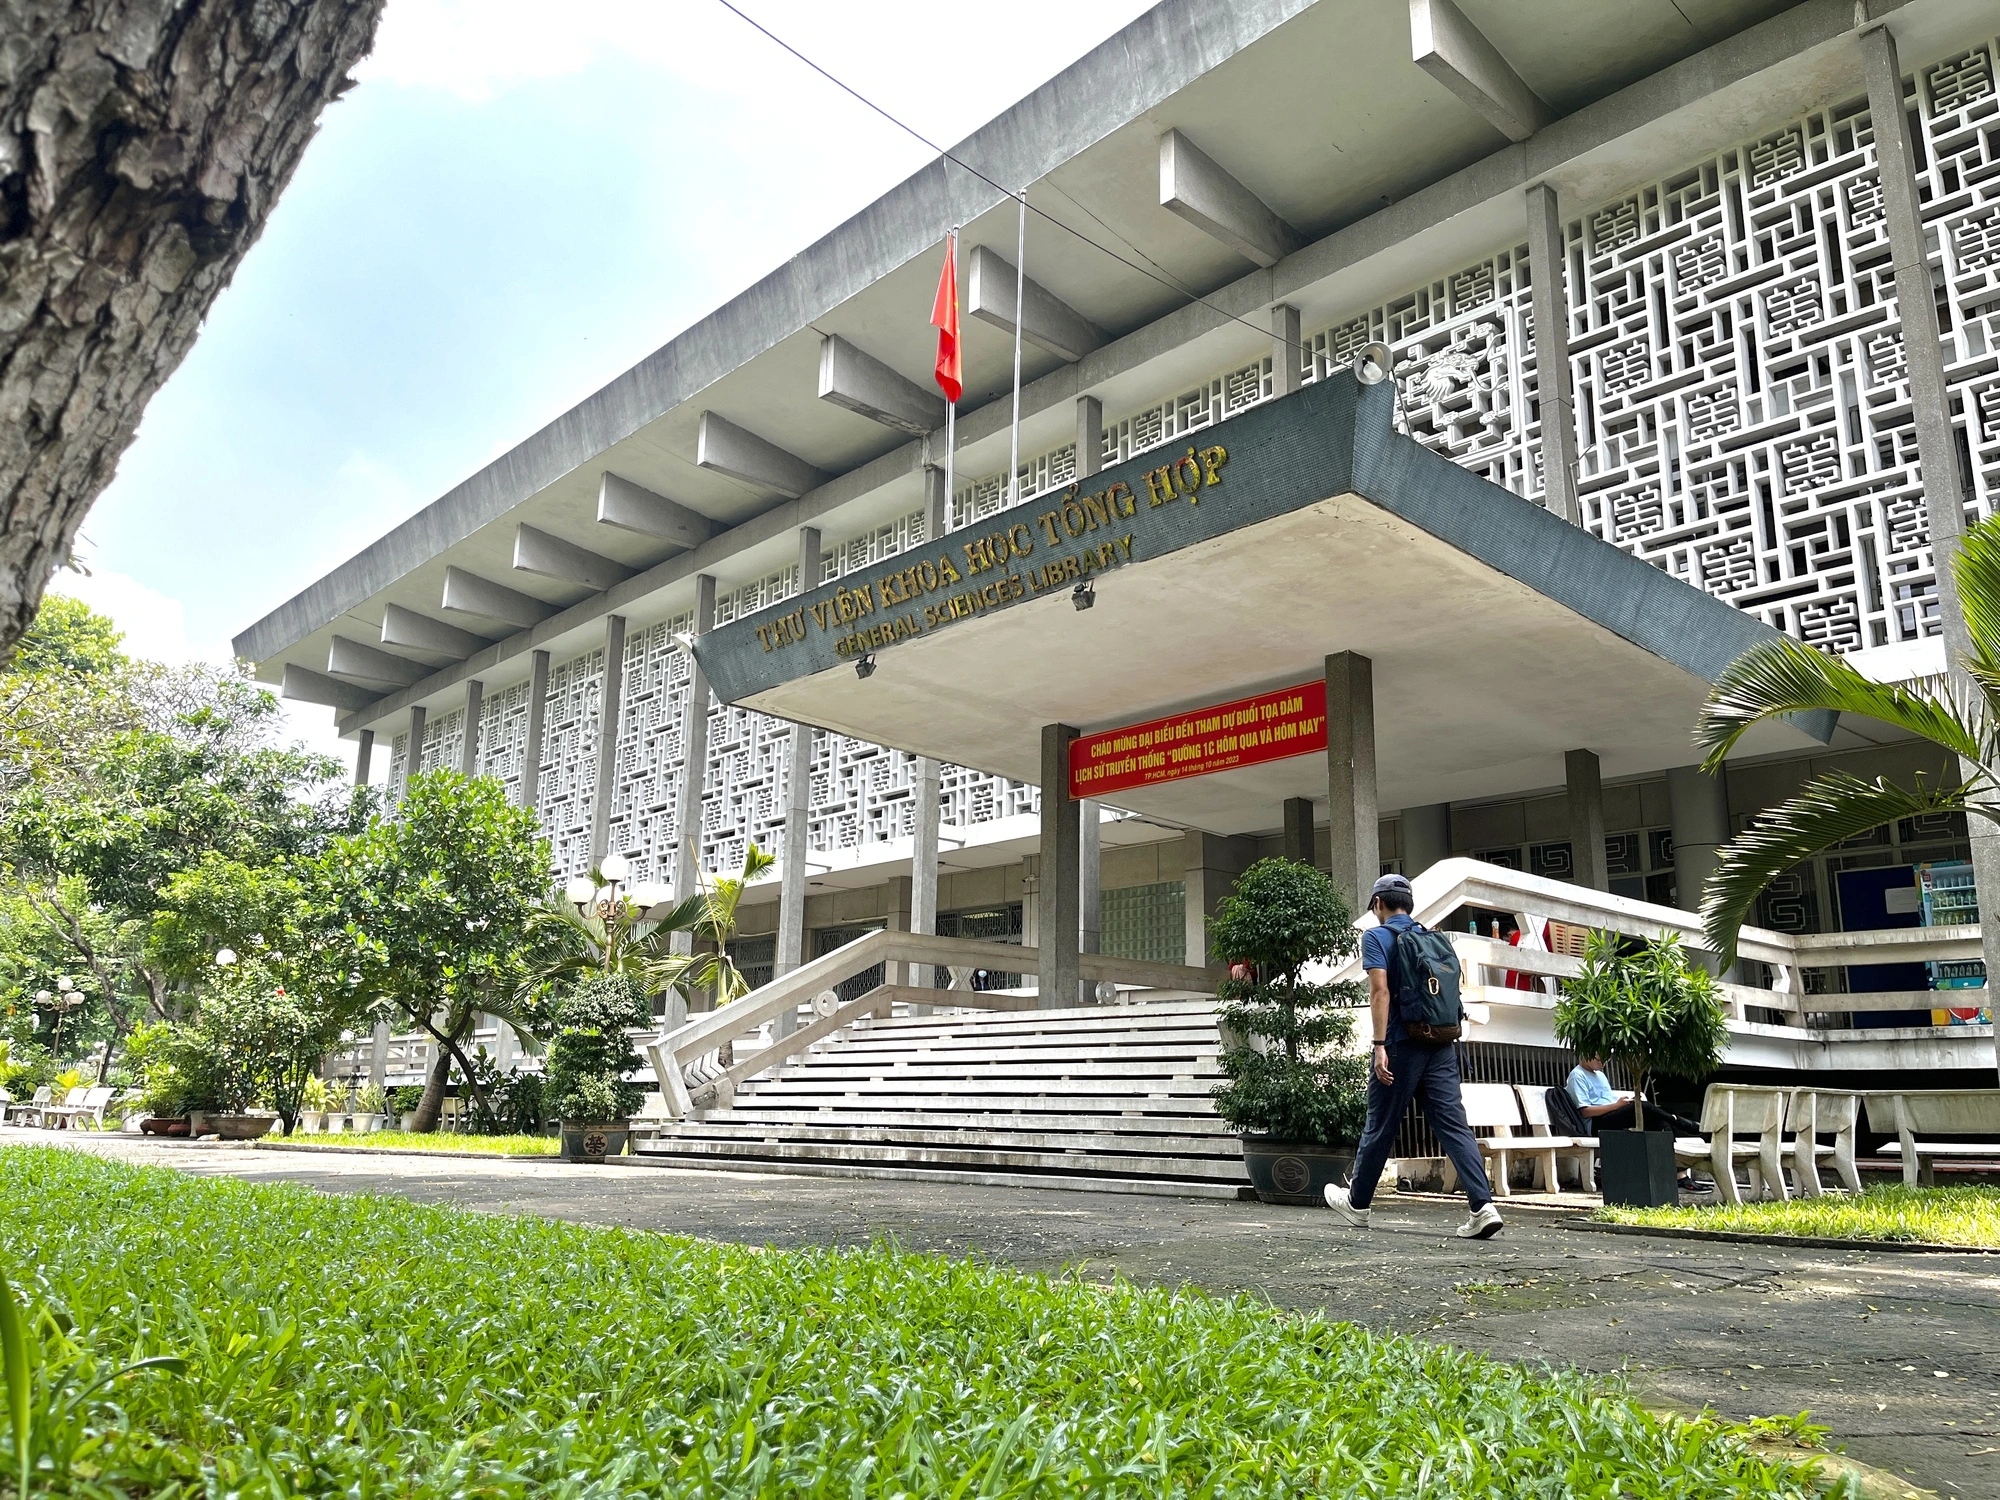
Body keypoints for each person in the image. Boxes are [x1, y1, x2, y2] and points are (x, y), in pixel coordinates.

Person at [1325, 873, 1503, 1239]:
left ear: (1378, 904)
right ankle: (1483, 1206)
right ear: (1410, 904)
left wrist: (1378, 1046)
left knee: (1380, 1124)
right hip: (1441, 1042)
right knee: (1454, 1126)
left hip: (1400, 1044)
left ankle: (1357, 1205)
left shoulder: (1376, 936)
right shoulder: (1433, 936)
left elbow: (1380, 992)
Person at [1566, 1054, 1707, 1190]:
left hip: (1611, 1116)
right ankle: (1681, 1123)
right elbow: (1585, 1111)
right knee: (1642, 1106)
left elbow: (1606, 1101)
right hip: (1596, 1124)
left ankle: (1679, 1174)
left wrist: (1620, 1105)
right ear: (1587, 1055)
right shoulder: (1577, 1076)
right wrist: (1617, 1106)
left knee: (1659, 1123)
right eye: (1599, 1060)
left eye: (1605, 1061)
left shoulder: (1600, 1075)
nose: (1603, 1065)